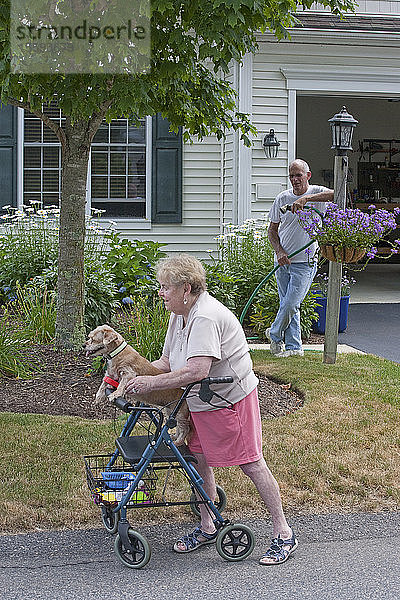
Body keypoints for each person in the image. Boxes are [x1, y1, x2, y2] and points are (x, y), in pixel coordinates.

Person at [125, 254, 297, 566]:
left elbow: (196, 371)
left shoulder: (204, 317)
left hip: (228, 400)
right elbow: (166, 363)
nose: (160, 293)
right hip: (200, 401)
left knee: (252, 464)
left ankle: (284, 533)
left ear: (186, 288)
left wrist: (149, 386)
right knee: (198, 459)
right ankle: (207, 525)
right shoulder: (180, 314)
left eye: (165, 288)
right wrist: (135, 376)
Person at [266, 159, 334, 357]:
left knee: (291, 303)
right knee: (287, 304)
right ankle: (294, 348)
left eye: (299, 175)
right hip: (283, 261)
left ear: (308, 176)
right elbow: (272, 230)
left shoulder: (316, 192)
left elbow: (338, 193)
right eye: (292, 176)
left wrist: (307, 200)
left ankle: (274, 333)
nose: (295, 179)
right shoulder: (282, 198)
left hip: (305, 261)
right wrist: (279, 251)